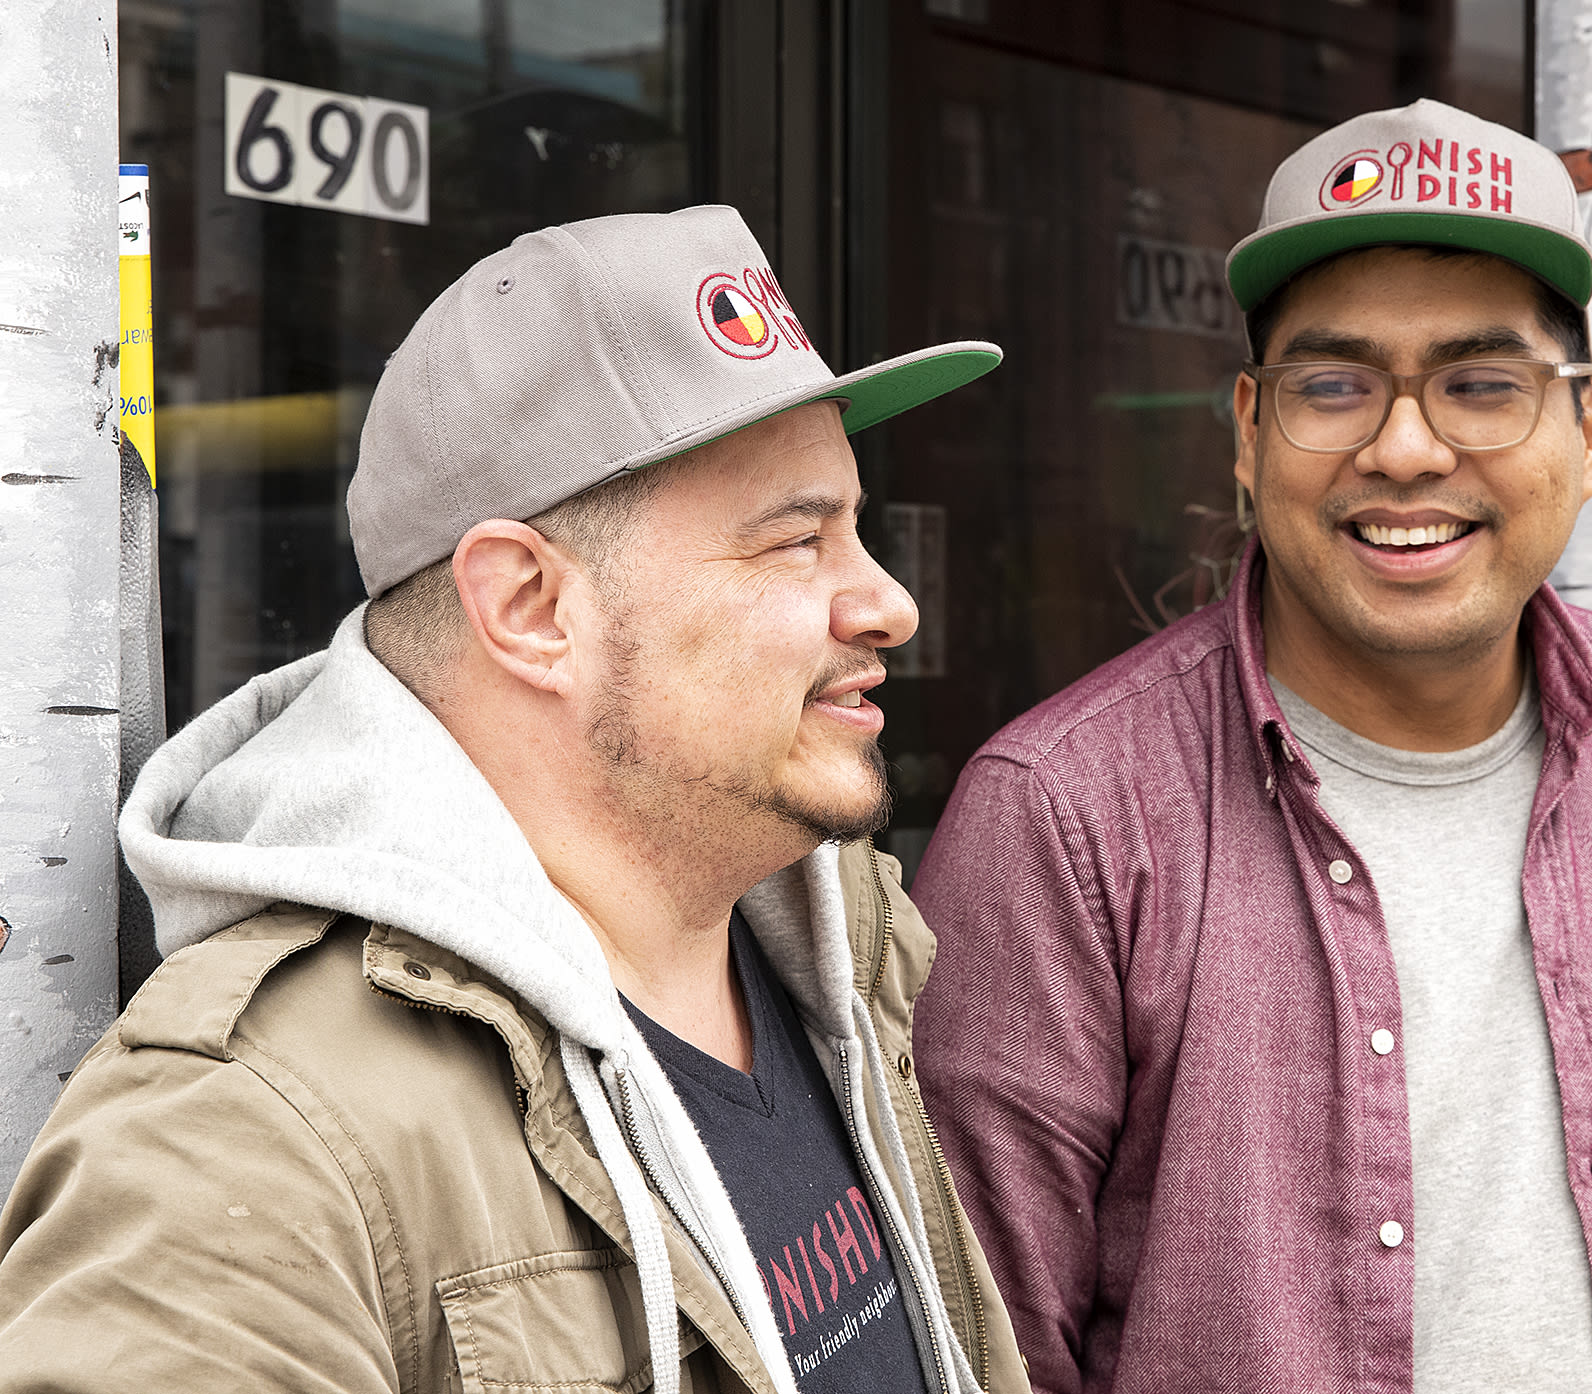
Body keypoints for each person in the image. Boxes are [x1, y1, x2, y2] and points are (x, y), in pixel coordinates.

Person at [910, 100, 1592, 1394]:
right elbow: (975, 1347)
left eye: (1481, 385)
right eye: (1333, 384)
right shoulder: (1065, 819)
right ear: (1245, 429)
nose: (1403, 447)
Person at [0, 206, 1027, 1394]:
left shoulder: (833, 944)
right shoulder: (246, 1140)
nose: (887, 601)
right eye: (796, 541)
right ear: (532, 607)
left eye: (854, 528)